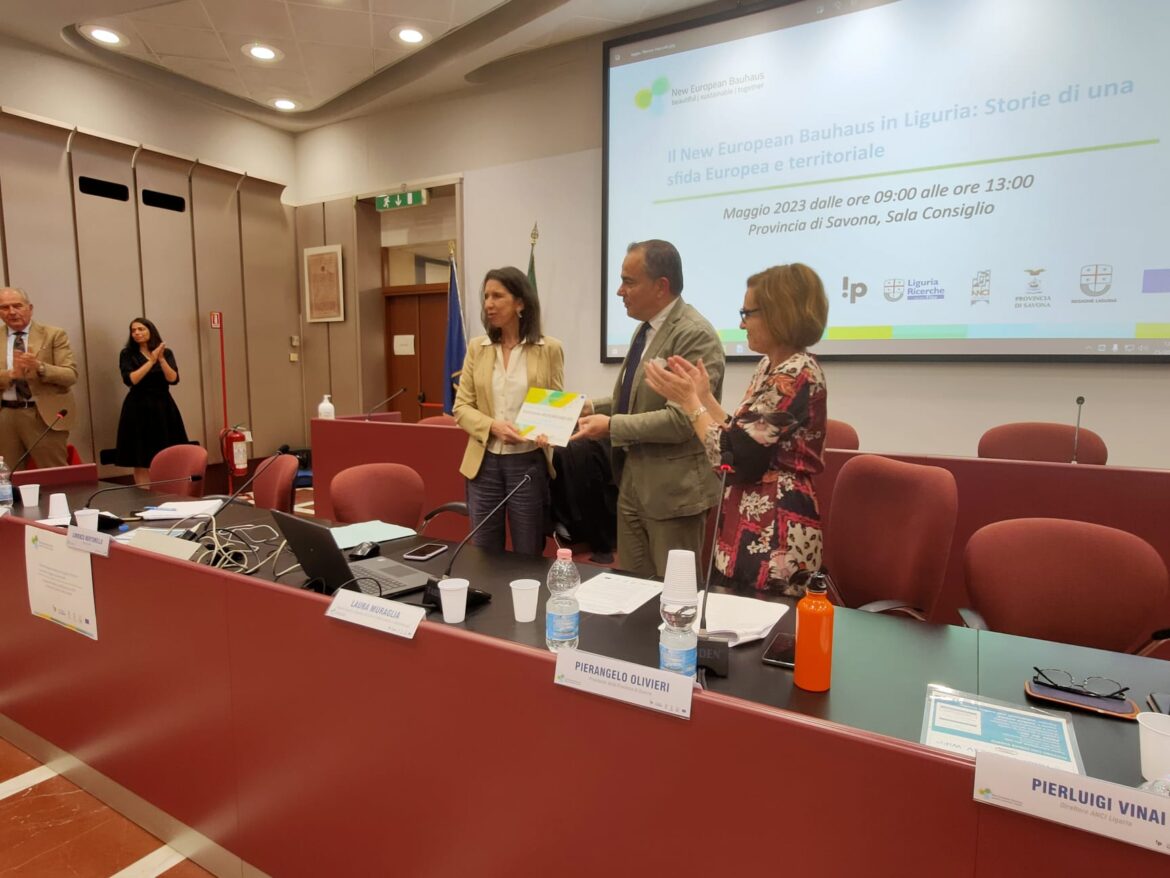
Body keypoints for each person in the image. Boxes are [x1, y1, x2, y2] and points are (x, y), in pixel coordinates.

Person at [644, 263, 828, 598]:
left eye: (748, 313)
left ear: (778, 314)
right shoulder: (769, 366)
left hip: (776, 533)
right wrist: (704, 398)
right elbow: (742, 434)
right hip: (748, 519)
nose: (742, 323)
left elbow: (732, 457)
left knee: (764, 626)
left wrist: (689, 403)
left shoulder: (797, 373)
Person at [573, 240, 725, 578]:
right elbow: (634, 401)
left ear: (661, 286)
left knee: (676, 596)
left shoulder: (694, 334)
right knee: (632, 592)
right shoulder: (645, 330)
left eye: (628, 282)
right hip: (633, 485)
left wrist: (610, 426)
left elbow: (681, 420)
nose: (619, 291)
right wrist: (589, 406)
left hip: (674, 494)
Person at [453, 267, 564, 555]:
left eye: (497, 296)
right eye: (486, 296)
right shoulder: (477, 348)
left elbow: (555, 405)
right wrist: (493, 426)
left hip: (528, 461)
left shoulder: (549, 348)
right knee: (484, 552)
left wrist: (548, 431)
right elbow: (461, 407)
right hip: (483, 463)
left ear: (520, 303)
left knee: (528, 550)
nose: (489, 304)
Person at [0, 287, 78, 470]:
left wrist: (40, 367)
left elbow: (70, 375)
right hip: (6, 414)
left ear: (30, 308)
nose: (12, 312)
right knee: (7, 477)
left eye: (17, 306)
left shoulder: (53, 335)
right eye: (5, 307)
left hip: (43, 415)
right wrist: (11, 374)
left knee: (55, 474)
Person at [113, 317, 189, 484]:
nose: (136, 333)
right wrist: (151, 360)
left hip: (163, 405)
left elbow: (173, 378)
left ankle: (167, 492)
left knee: (167, 452)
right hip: (138, 406)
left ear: (151, 331)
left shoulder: (166, 353)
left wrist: (160, 359)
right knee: (140, 457)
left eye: (141, 329)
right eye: (133, 330)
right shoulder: (127, 354)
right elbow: (131, 379)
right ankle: (143, 493)